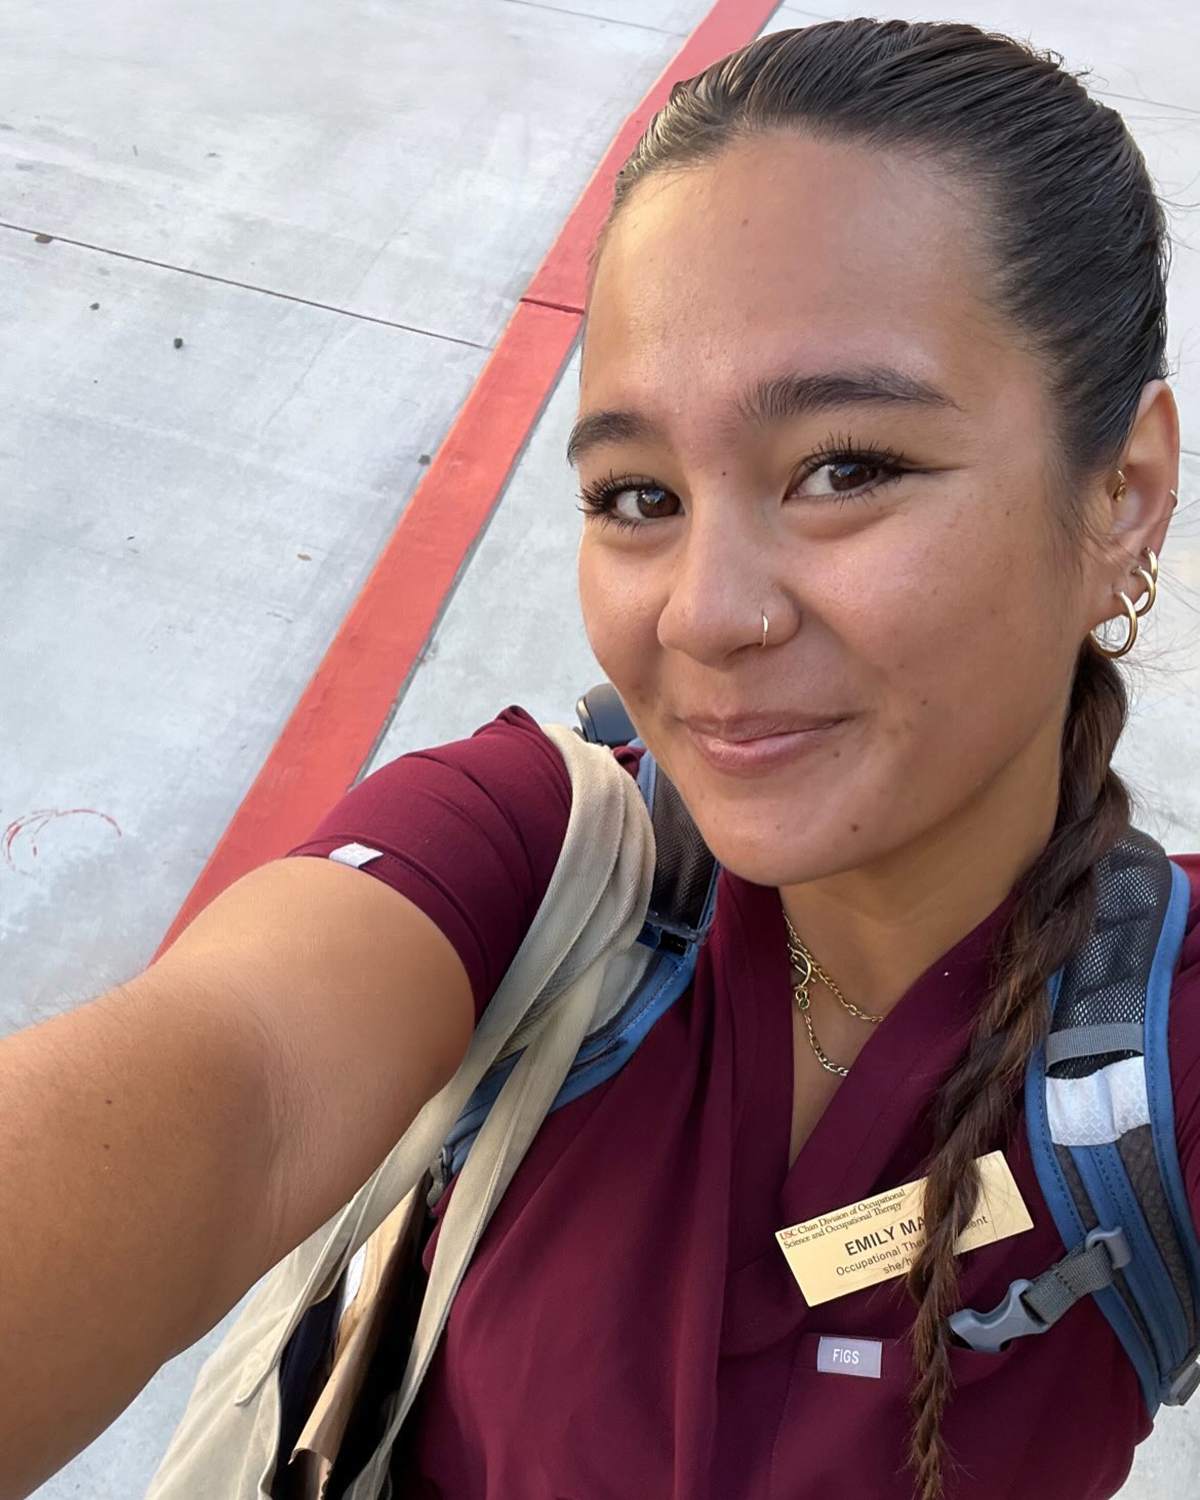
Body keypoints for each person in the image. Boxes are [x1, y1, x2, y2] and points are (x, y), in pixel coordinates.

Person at [1, 17, 1195, 1500]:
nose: (703, 611)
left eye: (847, 468)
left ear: (1126, 494)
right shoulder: (521, 862)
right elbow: (241, 1090)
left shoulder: (1157, 1065)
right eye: (636, 494)